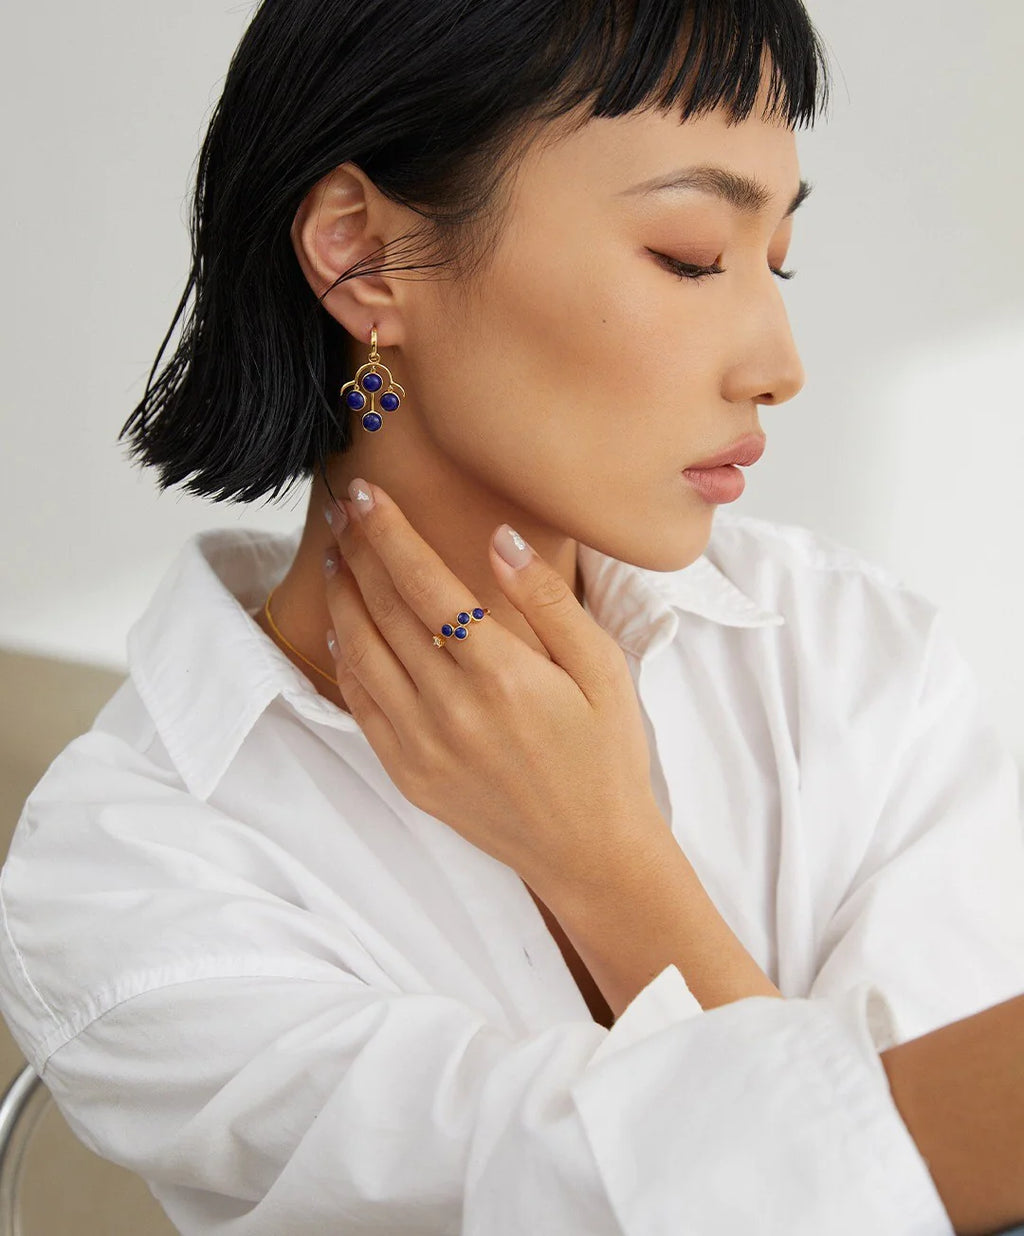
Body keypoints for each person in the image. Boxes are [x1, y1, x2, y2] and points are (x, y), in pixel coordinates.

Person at [0, 1, 1022, 1232]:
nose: (779, 361)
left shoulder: (851, 658)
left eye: (777, 260)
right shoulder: (134, 873)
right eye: (692, 255)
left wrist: (608, 863)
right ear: (363, 258)